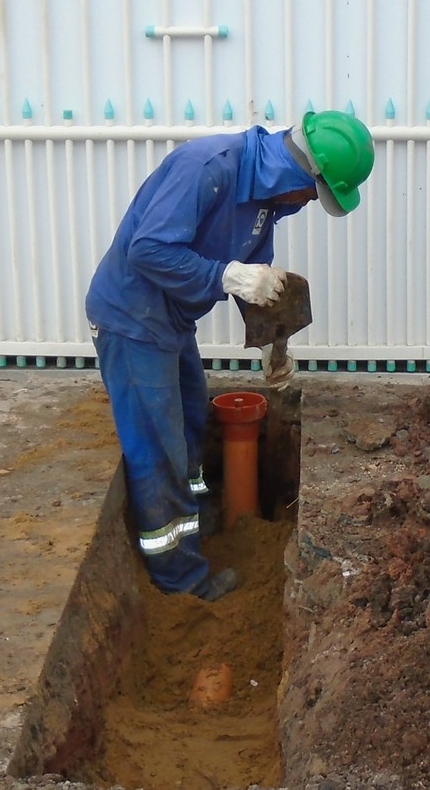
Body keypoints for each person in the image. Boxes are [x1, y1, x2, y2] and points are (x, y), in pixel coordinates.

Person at [85, 111, 375, 600]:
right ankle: (180, 581)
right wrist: (226, 276)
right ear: (303, 173)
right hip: (131, 320)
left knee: (193, 423)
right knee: (160, 452)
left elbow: (254, 274)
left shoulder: (264, 198)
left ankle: (196, 521)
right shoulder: (208, 168)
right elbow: (148, 250)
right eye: (312, 193)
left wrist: (273, 346)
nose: (307, 204)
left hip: (172, 321)